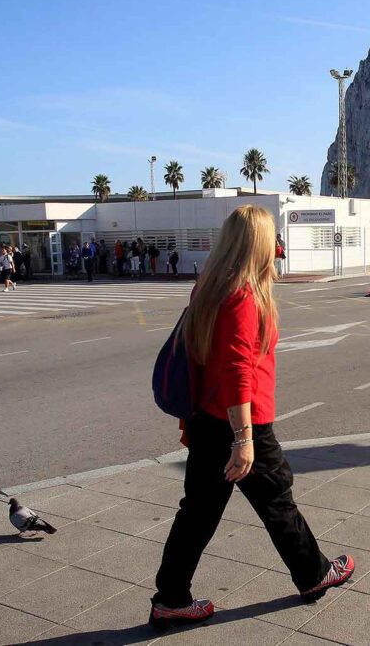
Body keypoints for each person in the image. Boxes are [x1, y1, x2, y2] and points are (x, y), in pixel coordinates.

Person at [149, 205, 353, 628]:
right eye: (272, 237)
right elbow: (236, 371)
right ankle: (314, 574)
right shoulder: (242, 296)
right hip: (242, 424)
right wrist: (243, 440)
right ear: (258, 243)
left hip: (208, 420)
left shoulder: (209, 286)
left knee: (199, 512)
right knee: (277, 498)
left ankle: (170, 598)